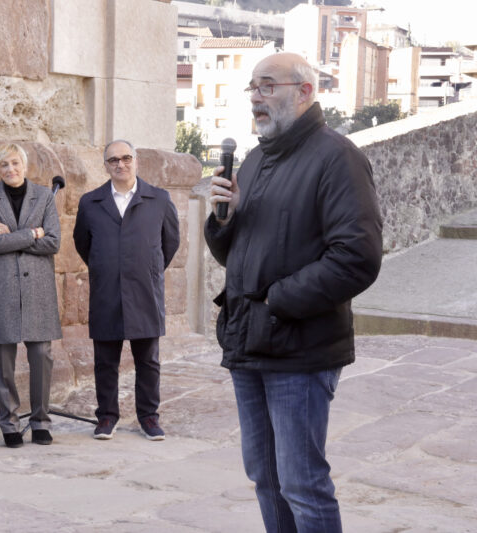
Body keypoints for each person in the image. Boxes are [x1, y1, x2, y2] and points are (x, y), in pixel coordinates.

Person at [205, 52, 383, 532]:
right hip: (248, 342)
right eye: (253, 88)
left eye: (267, 86)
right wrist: (224, 221)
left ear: (304, 91)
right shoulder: (256, 159)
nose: (256, 98)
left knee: (302, 482)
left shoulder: (338, 157)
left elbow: (357, 258)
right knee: (265, 477)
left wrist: (276, 302)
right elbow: (237, 256)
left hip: (299, 348)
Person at [73, 139, 180, 441]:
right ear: (105, 166)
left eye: (126, 158)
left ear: (135, 160)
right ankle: (107, 416)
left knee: (148, 360)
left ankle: (149, 417)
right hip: (106, 291)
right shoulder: (90, 202)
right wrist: (108, 267)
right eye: (113, 160)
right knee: (105, 360)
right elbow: (83, 243)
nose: (120, 164)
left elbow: (169, 243)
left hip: (144, 290)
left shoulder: (159, 199)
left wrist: (147, 269)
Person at [0, 143, 62, 448]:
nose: (10, 169)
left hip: (38, 287)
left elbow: (53, 242)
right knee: (3, 359)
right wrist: (32, 233)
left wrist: (11, 237)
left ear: (24, 165)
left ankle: (40, 421)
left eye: (14, 163)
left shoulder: (44, 196)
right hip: (1, 287)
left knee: (42, 356)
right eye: (4, 165)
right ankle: (9, 424)